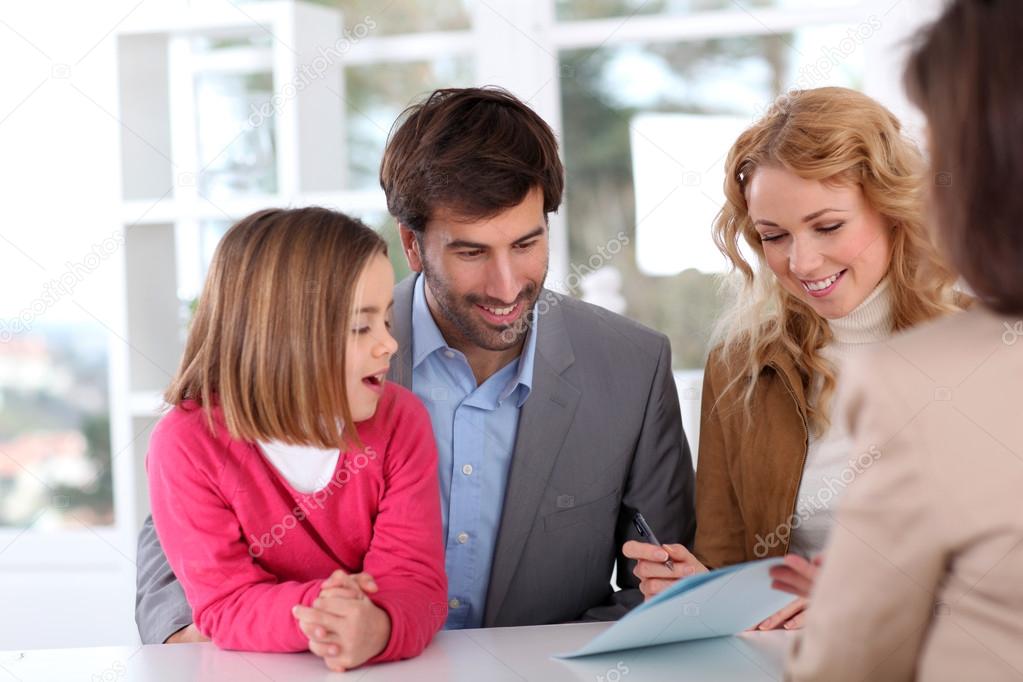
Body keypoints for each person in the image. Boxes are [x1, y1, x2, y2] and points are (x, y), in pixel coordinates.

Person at [135, 87, 697, 645]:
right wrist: (213, 630)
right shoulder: (324, 350)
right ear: (411, 243)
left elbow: (663, 587)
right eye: (471, 253)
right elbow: (180, 544)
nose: (507, 285)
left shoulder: (634, 366)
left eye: (527, 244)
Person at [624, 86, 962, 629]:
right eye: (773, 236)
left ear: (893, 208)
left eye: (828, 227)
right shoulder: (739, 366)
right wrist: (701, 590)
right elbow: (729, 558)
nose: (802, 262)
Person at [787, 1, 1023, 678]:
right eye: (773, 236)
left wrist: (837, 607)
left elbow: (846, 665)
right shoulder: (745, 363)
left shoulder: (926, 383)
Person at [145, 207, 447, 672]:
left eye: (386, 321)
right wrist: (327, 609)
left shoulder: (402, 423)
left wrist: (377, 627)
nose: (389, 344)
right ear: (282, 336)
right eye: (359, 327)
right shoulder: (185, 445)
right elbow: (224, 602)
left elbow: (414, 582)